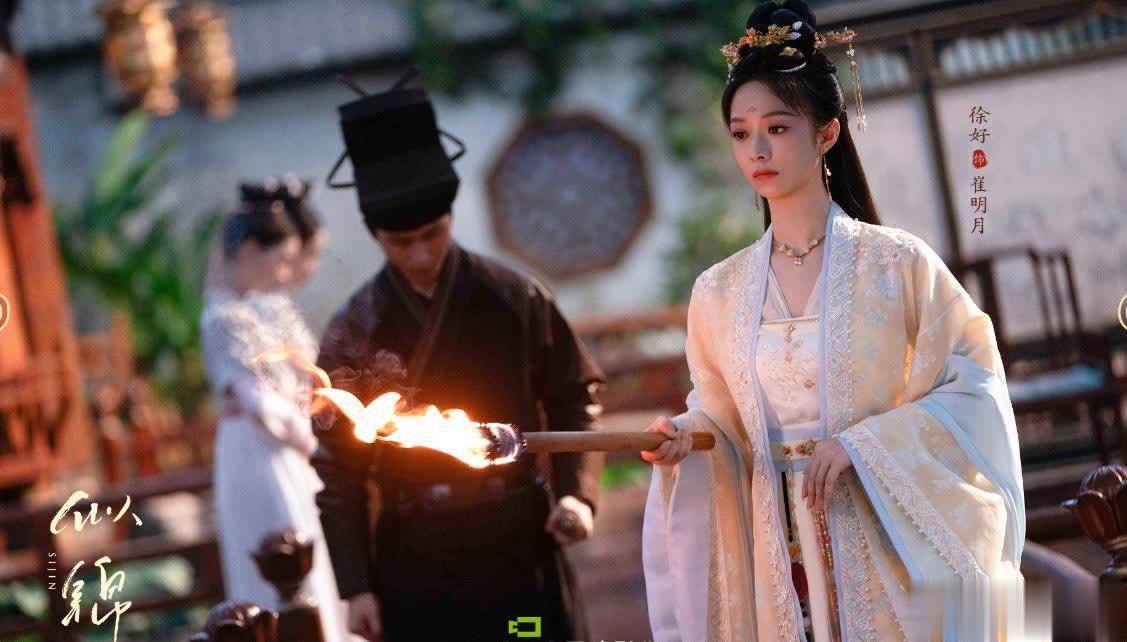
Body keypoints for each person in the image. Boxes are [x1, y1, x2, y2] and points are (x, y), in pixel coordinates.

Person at [640, 2, 1025, 641]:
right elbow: (722, 417)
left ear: (827, 133)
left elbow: (974, 388)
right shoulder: (719, 292)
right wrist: (686, 436)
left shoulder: (897, 264)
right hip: (777, 548)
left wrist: (863, 445)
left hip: (881, 532)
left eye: (777, 128)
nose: (757, 149)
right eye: (740, 133)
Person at [311, 72, 605, 642]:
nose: (422, 254)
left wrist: (577, 495)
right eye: (402, 242)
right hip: (416, 563)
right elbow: (337, 467)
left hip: (514, 547)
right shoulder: (355, 326)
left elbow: (575, 394)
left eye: (434, 232)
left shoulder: (514, 297)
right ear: (375, 236)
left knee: (525, 637)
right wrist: (356, 585)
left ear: (451, 216)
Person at [200, 191, 351, 642]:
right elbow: (259, 401)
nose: (286, 272)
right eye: (280, 259)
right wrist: (311, 439)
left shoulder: (259, 308)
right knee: (278, 549)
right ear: (250, 251)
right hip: (258, 451)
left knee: (307, 546)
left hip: (286, 445)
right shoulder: (223, 317)